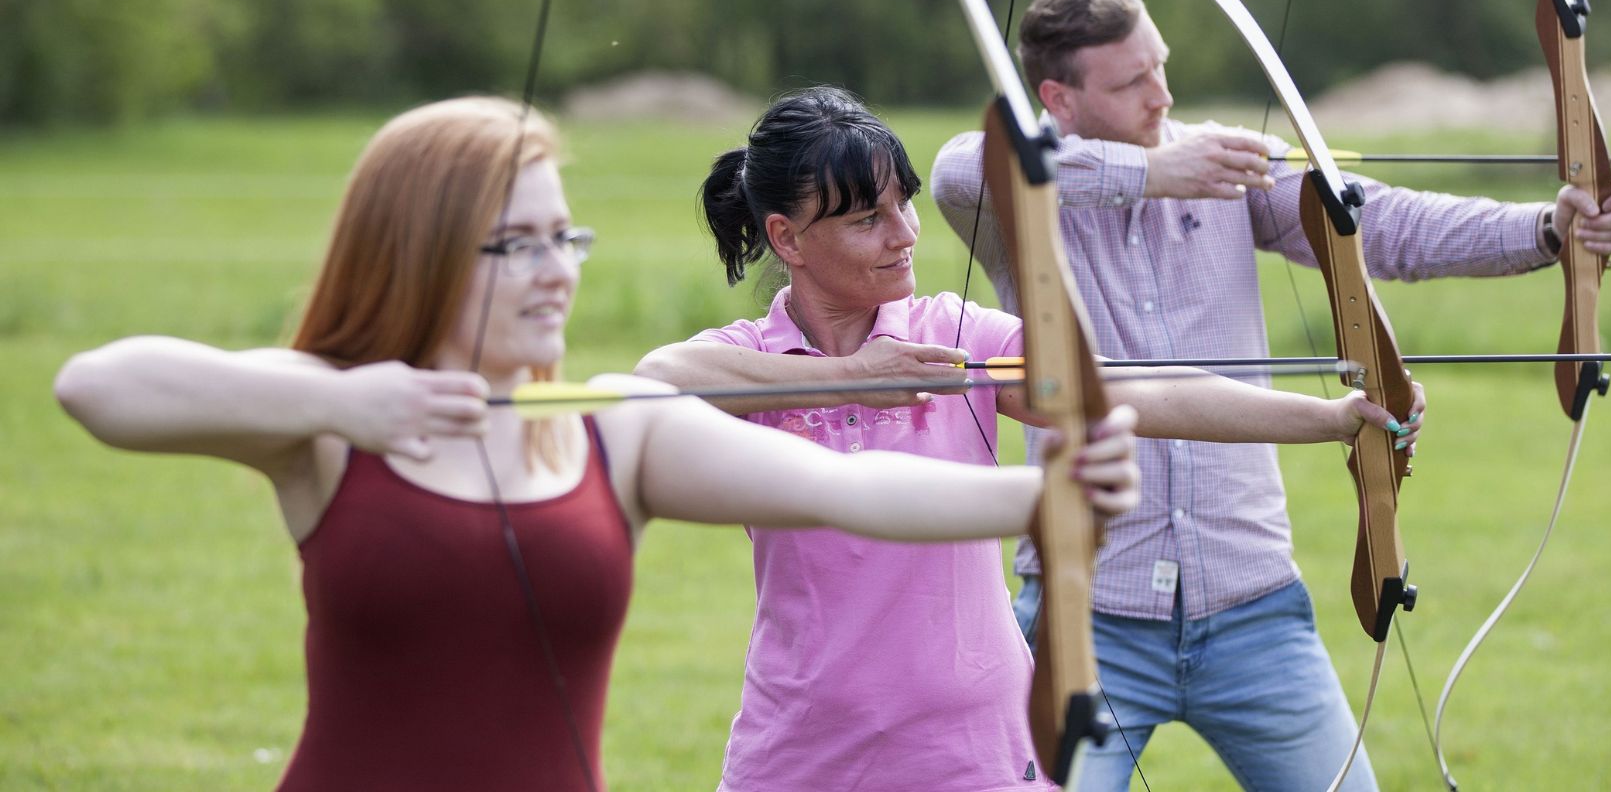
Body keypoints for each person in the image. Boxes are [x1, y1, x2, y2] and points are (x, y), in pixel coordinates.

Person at [52, 96, 1144, 792]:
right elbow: (98, 387)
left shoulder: (609, 426)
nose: (557, 268)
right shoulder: (334, 426)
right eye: (514, 243)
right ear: (425, 248)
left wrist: (1050, 493)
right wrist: (347, 405)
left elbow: (845, 491)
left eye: (562, 236)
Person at [930, 0, 1611, 791]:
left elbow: (1381, 222)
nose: (1162, 95)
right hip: (1087, 619)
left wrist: (1548, 228)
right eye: (1131, 83)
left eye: (1159, 65)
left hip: (1253, 611)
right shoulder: (1019, 194)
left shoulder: (1230, 165)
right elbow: (961, 167)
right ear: (1058, 97)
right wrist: (1153, 174)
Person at [634, 85, 1422, 792]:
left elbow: (1134, 389)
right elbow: (654, 380)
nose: (904, 233)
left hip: (976, 754)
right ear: (788, 238)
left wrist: (1328, 419)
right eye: (866, 218)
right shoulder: (750, 360)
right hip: (801, 755)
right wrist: (847, 377)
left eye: (902, 204)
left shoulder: (956, 336)